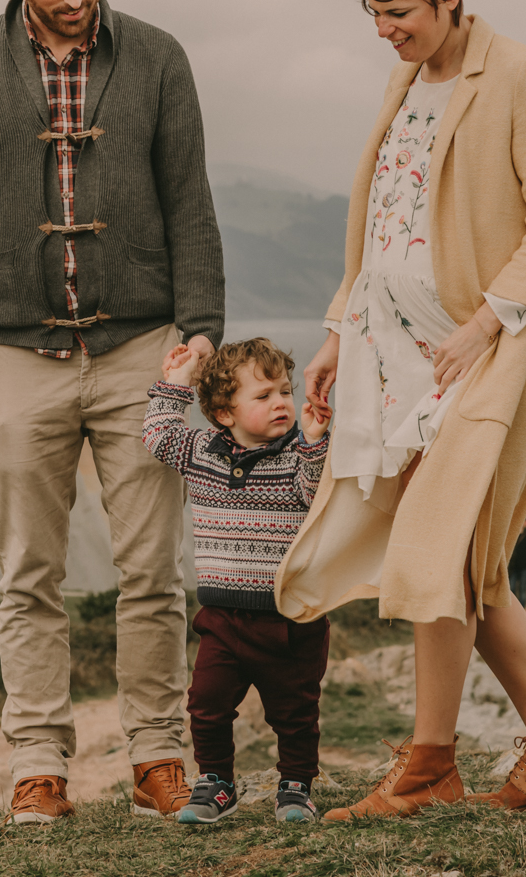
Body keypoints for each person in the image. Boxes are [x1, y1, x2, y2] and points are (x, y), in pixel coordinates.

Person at [0, 0, 226, 826]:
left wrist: (201, 331)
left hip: (143, 349)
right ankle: (38, 767)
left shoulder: (160, 57)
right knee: (28, 572)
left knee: (153, 569)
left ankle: (159, 760)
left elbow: (192, 205)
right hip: (14, 352)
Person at [275, 0, 526, 820]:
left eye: (398, 9)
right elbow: (382, 217)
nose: (385, 31)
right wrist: (340, 328)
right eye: (373, 13)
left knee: (441, 550)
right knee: (458, 564)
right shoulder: (406, 77)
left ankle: (432, 763)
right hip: (393, 350)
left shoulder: (519, 75)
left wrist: (487, 323)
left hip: (481, 352)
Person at [143, 337, 332, 825]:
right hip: (223, 618)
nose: (281, 403)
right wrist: (177, 380)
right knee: (206, 704)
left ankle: (295, 787)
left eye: (285, 392)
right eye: (264, 395)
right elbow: (159, 433)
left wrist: (313, 441)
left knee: (295, 712)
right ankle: (215, 783)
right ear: (224, 414)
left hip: (292, 618)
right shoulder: (201, 453)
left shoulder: (296, 455)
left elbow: (315, 496)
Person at [508, 518, 526, 607]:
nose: (524, 522)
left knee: (522, 589)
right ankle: (512, 609)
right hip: (513, 567)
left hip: (525, 566)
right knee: (511, 588)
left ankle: (522, 609)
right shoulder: (511, 533)